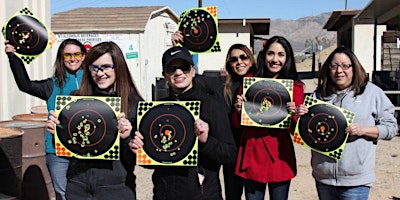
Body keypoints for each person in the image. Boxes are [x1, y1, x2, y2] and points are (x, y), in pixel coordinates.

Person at [129, 46, 237, 200]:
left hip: (202, 195)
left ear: (193, 71)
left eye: (184, 67)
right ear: (164, 75)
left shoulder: (212, 105)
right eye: (171, 69)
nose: (178, 72)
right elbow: (151, 163)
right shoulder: (156, 109)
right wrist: (141, 150)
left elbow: (230, 154)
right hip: (164, 194)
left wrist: (206, 142)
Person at [295, 46, 398, 200]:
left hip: (356, 181)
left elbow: (391, 128)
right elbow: (310, 132)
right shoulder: (319, 95)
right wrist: (302, 116)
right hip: (323, 178)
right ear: (328, 68)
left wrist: (363, 130)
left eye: (345, 66)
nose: (339, 71)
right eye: (334, 65)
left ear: (354, 68)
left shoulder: (372, 92)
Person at [47, 41, 142, 199]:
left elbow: (137, 158)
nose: (99, 73)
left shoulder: (134, 104)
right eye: (94, 67)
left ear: (118, 67)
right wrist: (58, 132)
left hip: (117, 187)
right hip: (78, 185)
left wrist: (127, 140)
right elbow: (71, 149)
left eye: (105, 67)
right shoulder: (75, 100)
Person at [172, 31, 259, 199]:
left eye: (243, 57)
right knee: (232, 194)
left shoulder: (262, 84)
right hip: (231, 150)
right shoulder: (220, 85)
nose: (239, 62)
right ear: (228, 64)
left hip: (254, 149)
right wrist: (179, 49)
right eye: (233, 59)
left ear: (251, 59)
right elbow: (190, 77)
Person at [5, 38, 86, 200]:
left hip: (87, 149)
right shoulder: (52, 85)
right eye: (67, 55)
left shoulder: (92, 81)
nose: (72, 59)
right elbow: (24, 84)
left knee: (85, 192)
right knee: (62, 193)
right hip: (57, 150)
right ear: (61, 59)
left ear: (83, 56)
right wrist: (13, 56)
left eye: (76, 54)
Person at [233, 36, 304, 200]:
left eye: (281, 54)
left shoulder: (296, 87)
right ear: (264, 55)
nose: (275, 59)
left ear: (287, 58)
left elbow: (297, 132)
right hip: (252, 153)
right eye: (271, 54)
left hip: (280, 155)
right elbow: (237, 125)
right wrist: (238, 110)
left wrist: (296, 115)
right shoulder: (249, 82)